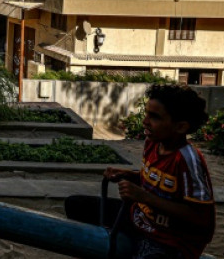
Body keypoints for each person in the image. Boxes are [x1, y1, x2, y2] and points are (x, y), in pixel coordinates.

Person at [66, 84, 215, 259]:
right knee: (75, 205)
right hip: (139, 218)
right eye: (146, 113)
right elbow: (155, 181)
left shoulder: (188, 160)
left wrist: (144, 197)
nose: (145, 121)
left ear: (180, 127)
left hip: (171, 239)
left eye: (154, 117)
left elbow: (200, 218)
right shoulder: (153, 143)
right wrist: (128, 175)